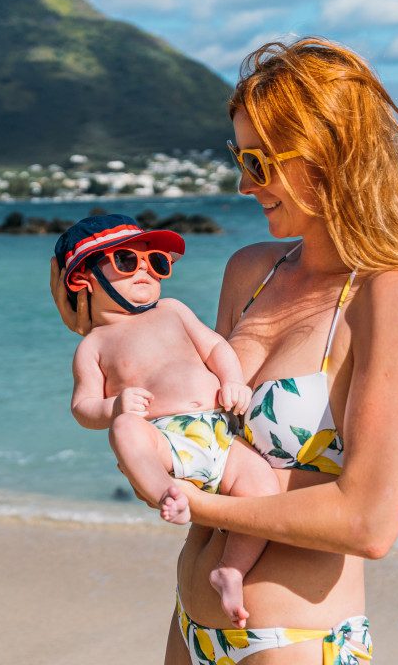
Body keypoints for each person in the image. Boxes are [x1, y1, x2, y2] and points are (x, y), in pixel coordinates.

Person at [50, 37, 398, 664]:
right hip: (190, 627)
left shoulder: (389, 293)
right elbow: (197, 429)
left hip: (293, 640)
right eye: (238, 158)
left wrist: (188, 499)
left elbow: (370, 523)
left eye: (259, 161)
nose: (245, 184)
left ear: (328, 153)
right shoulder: (250, 271)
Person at [55, 214, 280, 627]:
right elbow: (83, 407)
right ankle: (166, 493)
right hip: (164, 441)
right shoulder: (94, 345)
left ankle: (231, 568)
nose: (145, 269)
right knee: (125, 430)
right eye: (126, 260)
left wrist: (233, 381)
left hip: (217, 435)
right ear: (83, 279)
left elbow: (216, 348)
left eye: (156, 262)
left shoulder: (174, 310)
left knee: (261, 484)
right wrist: (117, 405)